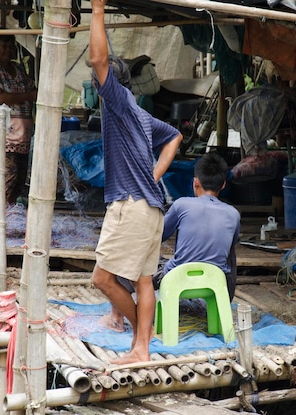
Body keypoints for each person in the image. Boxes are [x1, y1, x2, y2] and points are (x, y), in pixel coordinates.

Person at [89, 0, 182, 365]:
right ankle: (141, 347)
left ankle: (141, 336)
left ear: (112, 81)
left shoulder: (119, 101)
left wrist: (97, 10)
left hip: (132, 206)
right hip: (152, 208)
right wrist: (155, 176)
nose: (96, 77)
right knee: (143, 282)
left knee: (103, 279)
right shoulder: (139, 113)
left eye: (101, 77)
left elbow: (99, 61)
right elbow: (174, 135)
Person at [108, 152, 241, 332]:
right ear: (223, 185)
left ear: (195, 182)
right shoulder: (233, 213)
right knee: (230, 253)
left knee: (127, 258)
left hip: (177, 276)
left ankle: (116, 318)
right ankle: (222, 302)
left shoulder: (182, 205)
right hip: (217, 279)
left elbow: (157, 236)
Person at [0, 34, 37, 206]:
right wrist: (29, 96)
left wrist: (32, 95)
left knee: (19, 180)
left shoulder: (18, 69)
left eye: (11, 46)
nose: (8, 49)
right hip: (2, 137)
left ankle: (9, 216)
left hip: (22, 136)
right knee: (7, 178)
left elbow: (34, 89)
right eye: (4, 45)